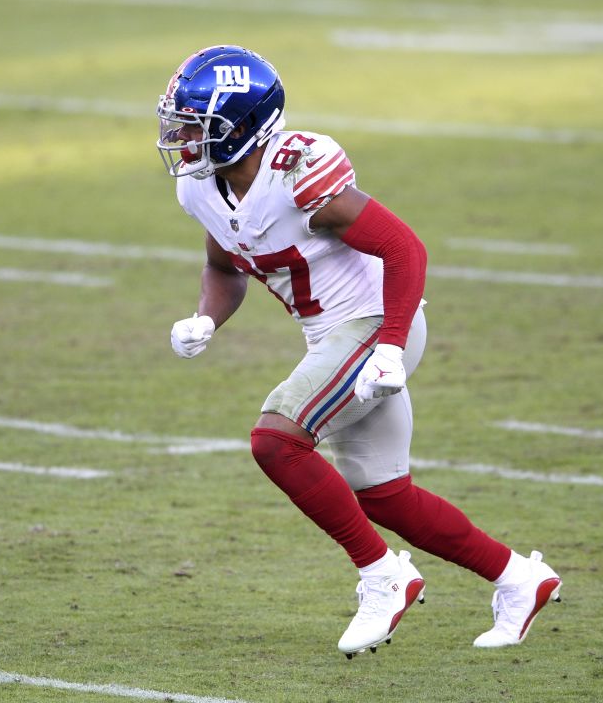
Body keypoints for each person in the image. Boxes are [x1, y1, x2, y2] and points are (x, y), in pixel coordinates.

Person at [155, 45, 562, 657]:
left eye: (194, 123)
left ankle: (382, 575)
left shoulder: (298, 171)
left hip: (377, 321)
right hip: (332, 336)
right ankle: (519, 579)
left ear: (241, 126)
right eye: (177, 119)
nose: (179, 134)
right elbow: (225, 265)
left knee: (277, 440)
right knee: (383, 493)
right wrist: (207, 319)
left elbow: (405, 249)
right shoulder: (201, 189)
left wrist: (391, 348)